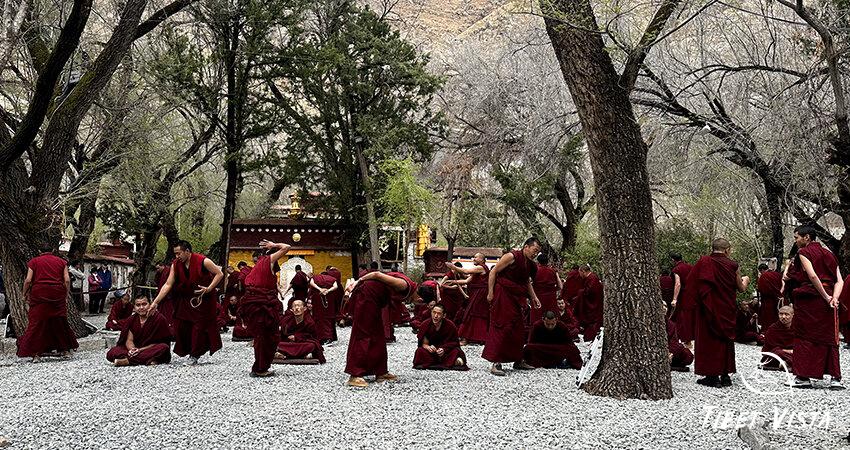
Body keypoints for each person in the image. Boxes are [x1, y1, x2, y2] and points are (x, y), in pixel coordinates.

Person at [784, 225, 844, 389]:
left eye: (797, 237)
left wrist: (825, 296)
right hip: (829, 299)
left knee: (804, 336)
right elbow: (839, 280)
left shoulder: (804, 252)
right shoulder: (829, 254)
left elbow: (812, 276)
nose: (795, 241)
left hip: (810, 300)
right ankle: (835, 379)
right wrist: (834, 298)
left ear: (807, 237)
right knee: (829, 337)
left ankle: (803, 377)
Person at [150, 240, 224, 365]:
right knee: (182, 327)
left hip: (202, 300)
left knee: (199, 328)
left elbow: (219, 273)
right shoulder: (175, 264)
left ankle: (194, 355)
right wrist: (156, 302)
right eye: (175, 254)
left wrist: (209, 288)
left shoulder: (203, 261)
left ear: (187, 251)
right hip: (185, 300)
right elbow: (168, 284)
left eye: (179, 253)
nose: (177, 256)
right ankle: (190, 350)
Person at [692, 238, 750, 388]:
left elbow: (694, 285)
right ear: (727, 250)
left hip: (708, 309)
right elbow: (741, 288)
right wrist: (746, 280)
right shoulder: (733, 265)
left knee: (709, 341)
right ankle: (725, 376)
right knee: (725, 340)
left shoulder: (704, 262)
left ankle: (712, 376)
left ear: (712, 249)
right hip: (726, 309)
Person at [344, 270, 416, 388]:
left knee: (378, 335)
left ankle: (380, 371)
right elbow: (376, 274)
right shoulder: (403, 285)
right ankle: (355, 374)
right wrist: (358, 281)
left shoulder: (408, 288)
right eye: (418, 300)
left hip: (375, 301)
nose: (416, 302)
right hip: (366, 297)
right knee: (363, 333)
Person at [483, 237, 541, 376]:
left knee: (518, 329)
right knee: (502, 326)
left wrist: (534, 297)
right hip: (503, 294)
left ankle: (518, 359)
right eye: (534, 250)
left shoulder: (530, 264)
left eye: (537, 252)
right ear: (526, 247)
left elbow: (526, 281)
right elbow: (493, 272)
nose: (535, 254)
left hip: (516, 298)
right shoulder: (511, 256)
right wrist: (490, 292)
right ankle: (496, 362)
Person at [16, 244, 79, 360]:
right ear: (53, 250)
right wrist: (65, 294)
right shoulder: (62, 262)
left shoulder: (34, 262)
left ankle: (36, 354)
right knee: (60, 322)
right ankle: (65, 350)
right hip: (57, 293)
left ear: (39, 251)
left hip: (39, 293)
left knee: (37, 323)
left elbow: (28, 280)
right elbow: (67, 280)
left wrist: (24, 293)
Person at [239, 240, 290, 377]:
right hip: (263, 306)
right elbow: (287, 247)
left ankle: (260, 366)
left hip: (257, 304)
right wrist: (274, 245)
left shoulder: (258, 266)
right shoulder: (268, 260)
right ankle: (260, 368)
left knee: (262, 337)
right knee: (267, 338)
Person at [106, 296, 172, 366]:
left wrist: (140, 350)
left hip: (151, 348)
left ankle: (127, 361)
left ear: (150, 304)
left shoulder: (159, 318)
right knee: (112, 352)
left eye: (144, 304)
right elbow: (129, 340)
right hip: (136, 348)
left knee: (164, 348)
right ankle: (147, 359)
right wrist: (132, 350)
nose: (141, 307)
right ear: (134, 307)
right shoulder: (131, 320)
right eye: (138, 305)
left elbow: (161, 342)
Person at [446, 253, 490, 345]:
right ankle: (470, 338)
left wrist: (453, 267)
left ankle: (470, 338)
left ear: (482, 260)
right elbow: (466, 281)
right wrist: (453, 281)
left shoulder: (481, 267)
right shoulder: (477, 270)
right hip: (476, 294)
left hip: (480, 294)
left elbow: (466, 271)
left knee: (472, 314)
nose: (473, 258)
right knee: (470, 313)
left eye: (476, 257)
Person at [412, 303, 468, 370]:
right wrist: (429, 347)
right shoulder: (425, 324)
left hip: (446, 352)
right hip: (431, 353)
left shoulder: (450, 325)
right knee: (420, 351)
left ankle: (440, 362)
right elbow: (423, 344)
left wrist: (444, 349)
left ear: (444, 315)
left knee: (456, 351)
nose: (435, 316)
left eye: (439, 313)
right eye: (434, 312)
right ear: (431, 312)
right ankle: (451, 362)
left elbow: (455, 343)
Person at [275, 299, 326, 363]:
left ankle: (284, 354)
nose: (297, 308)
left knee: (311, 345)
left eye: (299, 306)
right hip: (289, 343)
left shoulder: (309, 322)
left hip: (302, 343)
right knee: (277, 344)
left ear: (304, 308)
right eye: (294, 306)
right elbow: (282, 334)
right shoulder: (287, 320)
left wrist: (297, 337)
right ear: (291, 310)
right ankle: (303, 355)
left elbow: (313, 337)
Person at [670, 252, 695, 346]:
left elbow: (678, 284)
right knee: (690, 316)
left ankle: (686, 340)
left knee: (683, 317)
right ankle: (689, 340)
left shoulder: (677, 269)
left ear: (673, 260)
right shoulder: (690, 267)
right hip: (692, 294)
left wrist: (674, 299)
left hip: (683, 295)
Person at [308, 270, 339, 343]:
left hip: (318, 300)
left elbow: (311, 283)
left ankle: (320, 337)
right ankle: (329, 337)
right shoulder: (332, 279)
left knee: (319, 318)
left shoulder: (315, 277)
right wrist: (328, 291)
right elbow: (336, 286)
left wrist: (320, 289)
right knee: (329, 317)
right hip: (329, 300)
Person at [760, 305, 794, 370]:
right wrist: (788, 351)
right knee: (778, 353)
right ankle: (789, 363)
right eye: (781, 314)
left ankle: (786, 363)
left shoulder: (797, 328)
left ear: (792, 315)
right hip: (776, 354)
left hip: (791, 353)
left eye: (787, 314)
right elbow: (770, 348)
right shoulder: (772, 329)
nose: (783, 317)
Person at [531, 254, 562, 325]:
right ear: (547, 262)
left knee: (537, 318)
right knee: (551, 317)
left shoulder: (535, 271)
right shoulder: (552, 271)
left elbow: (529, 285)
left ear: (538, 262)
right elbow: (560, 286)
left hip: (538, 298)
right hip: (551, 298)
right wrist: (553, 290)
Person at [575, 264, 603, 342]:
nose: (579, 275)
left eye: (580, 273)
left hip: (593, 304)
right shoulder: (590, 278)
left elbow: (590, 291)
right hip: (591, 303)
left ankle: (591, 338)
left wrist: (581, 292)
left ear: (583, 271)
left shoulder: (592, 278)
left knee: (592, 321)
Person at [664, 305, 693, 371]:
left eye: (665, 306)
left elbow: (674, 341)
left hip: (670, 350)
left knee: (687, 355)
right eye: (662, 306)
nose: (664, 308)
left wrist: (671, 352)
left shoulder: (671, 324)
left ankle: (671, 366)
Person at [756, 263, 783, 330]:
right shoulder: (777, 274)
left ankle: (768, 331)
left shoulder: (764, 276)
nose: (760, 273)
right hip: (778, 299)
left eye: (760, 272)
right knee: (777, 316)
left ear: (762, 270)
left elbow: (761, 289)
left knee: (768, 319)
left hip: (768, 301)